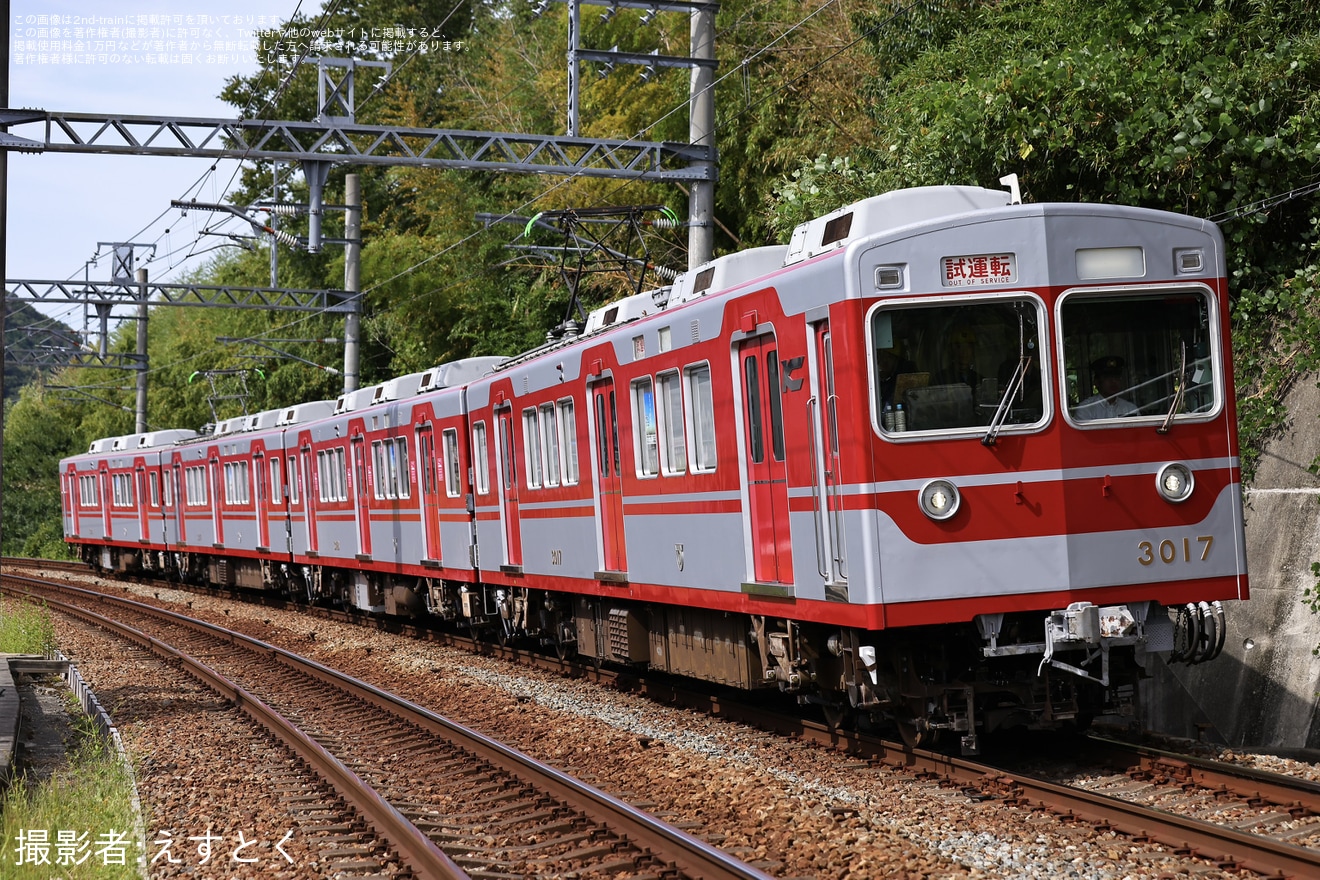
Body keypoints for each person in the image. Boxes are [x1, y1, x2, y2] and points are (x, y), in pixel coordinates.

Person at [1074, 355, 1139, 420]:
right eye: (1107, 378)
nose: (1113, 381)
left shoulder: (1130, 408)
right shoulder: (1086, 409)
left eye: (1116, 377)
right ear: (1097, 382)